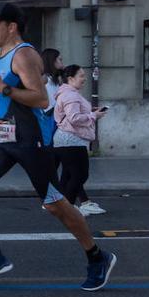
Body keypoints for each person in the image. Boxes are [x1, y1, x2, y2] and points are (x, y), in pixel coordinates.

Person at [0, 4, 116, 292]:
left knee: (55, 204)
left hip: (31, 141)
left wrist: (3, 90)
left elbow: (41, 100)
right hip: (3, 138)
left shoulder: (24, 54)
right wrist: (0, 97)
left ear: (12, 27)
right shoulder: (4, 55)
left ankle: (98, 257)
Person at [53, 64, 107, 216]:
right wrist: (93, 116)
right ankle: (67, 207)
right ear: (70, 78)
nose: (84, 79)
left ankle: (61, 205)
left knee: (69, 175)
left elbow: (73, 114)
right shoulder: (71, 95)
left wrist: (90, 112)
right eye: (81, 76)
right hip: (72, 140)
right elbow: (74, 118)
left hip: (67, 140)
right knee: (80, 175)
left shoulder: (68, 93)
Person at [40, 48, 64, 117]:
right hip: (50, 116)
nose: (62, 62)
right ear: (53, 61)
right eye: (60, 59)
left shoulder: (56, 79)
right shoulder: (45, 79)